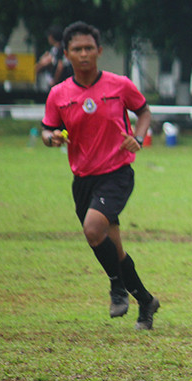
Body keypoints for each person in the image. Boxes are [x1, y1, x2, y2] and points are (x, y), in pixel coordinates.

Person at [41, 21, 160, 330]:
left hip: (117, 173)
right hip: (83, 179)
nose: (83, 54)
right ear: (66, 54)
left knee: (94, 229)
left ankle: (116, 287)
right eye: (77, 50)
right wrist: (50, 138)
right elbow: (48, 128)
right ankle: (146, 302)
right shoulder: (58, 94)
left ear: (99, 51)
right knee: (114, 248)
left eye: (89, 49)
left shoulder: (119, 85)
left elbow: (144, 112)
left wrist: (139, 136)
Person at [35, 25, 70, 91]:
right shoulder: (54, 50)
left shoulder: (61, 49)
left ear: (51, 37)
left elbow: (60, 66)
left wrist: (54, 82)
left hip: (62, 85)